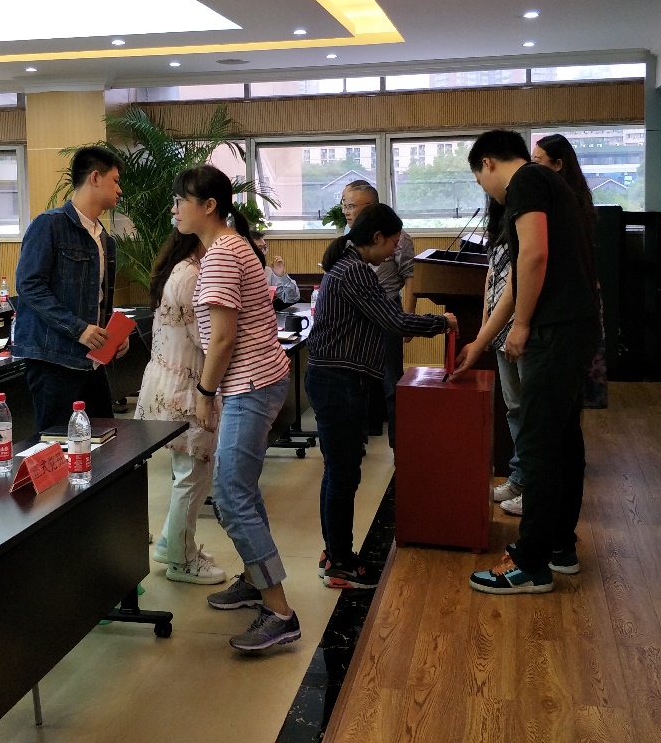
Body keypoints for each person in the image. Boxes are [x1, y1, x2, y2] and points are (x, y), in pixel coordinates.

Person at [454, 130, 599, 595]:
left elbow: (534, 255)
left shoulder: (526, 183)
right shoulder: (548, 184)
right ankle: (559, 547)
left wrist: (521, 327)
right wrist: (481, 342)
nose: (485, 188)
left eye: (479, 178)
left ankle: (531, 563)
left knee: (537, 445)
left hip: (554, 333)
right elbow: (520, 276)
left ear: (488, 163)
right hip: (573, 328)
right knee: (562, 441)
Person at [173, 164, 300, 652]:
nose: (174, 209)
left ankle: (280, 612)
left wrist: (205, 395)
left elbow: (223, 340)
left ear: (209, 206)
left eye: (181, 200)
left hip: (249, 385)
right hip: (255, 381)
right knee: (239, 489)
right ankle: (254, 578)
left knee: (230, 495)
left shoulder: (223, 254)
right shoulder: (229, 247)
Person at [306, 202, 454, 589]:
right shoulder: (355, 270)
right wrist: (441, 322)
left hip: (336, 380)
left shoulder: (350, 265)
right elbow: (393, 320)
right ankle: (340, 563)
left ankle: (334, 552)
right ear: (376, 238)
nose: (393, 252)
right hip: (338, 383)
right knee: (343, 474)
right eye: (392, 243)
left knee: (338, 471)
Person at [14, 147, 130, 429]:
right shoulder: (49, 224)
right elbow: (29, 285)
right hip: (53, 359)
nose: (120, 190)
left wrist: (112, 335)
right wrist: (79, 329)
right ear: (95, 178)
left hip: (91, 361)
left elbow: (98, 297)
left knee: (104, 439)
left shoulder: (105, 238)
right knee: (57, 443)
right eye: (115, 181)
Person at [135, 229, 226, 586]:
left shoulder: (182, 268)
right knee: (192, 473)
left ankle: (172, 543)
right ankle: (182, 560)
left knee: (188, 471)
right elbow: (207, 338)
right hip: (184, 386)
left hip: (172, 379)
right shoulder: (192, 275)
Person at [532, 133, 607, 411]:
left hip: (572, 299)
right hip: (579, 295)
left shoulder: (565, 203)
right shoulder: (570, 198)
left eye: (538, 161)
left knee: (565, 388)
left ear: (558, 164)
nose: (532, 168)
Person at [339, 179, 416, 445]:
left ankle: (398, 445)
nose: (346, 212)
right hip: (355, 316)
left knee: (390, 382)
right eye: (344, 206)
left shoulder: (398, 237)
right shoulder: (346, 237)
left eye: (351, 206)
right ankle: (359, 440)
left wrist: (408, 319)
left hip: (387, 313)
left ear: (370, 206)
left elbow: (410, 277)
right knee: (356, 381)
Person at [480, 198, 527, 515]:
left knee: (531, 410)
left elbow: (522, 279)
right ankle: (519, 477)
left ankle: (533, 484)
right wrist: (485, 325)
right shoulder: (498, 226)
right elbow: (492, 274)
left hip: (521, 330)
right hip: (499, 329)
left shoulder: (529, 219)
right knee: (514, 408)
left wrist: (518, 325)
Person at [248, 230, 299, 305]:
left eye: (265, 247)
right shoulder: (236, 272)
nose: (264, 252)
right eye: (260, 248)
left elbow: (292, 298)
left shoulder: (268, 272)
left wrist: (282, 277)